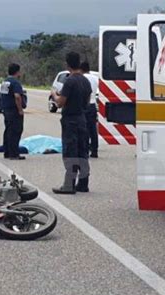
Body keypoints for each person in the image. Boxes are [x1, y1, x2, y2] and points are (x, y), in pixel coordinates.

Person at [51, 52, 92, 194]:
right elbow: (87, 101)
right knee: (83, 151)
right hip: (82, 118)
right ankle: (83, 183)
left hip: (70, 119)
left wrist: (55, 94)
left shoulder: (70, 81)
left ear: (67, 64)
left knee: (70, 152)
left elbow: (61, 103)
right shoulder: (85, 81)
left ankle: (69, 184)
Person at [0, 63, 26, 160]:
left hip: (6, 109)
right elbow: (17, 96)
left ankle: (7, 151)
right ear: (17, 72)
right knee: (15, 131)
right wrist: (20, 109)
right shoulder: (15, 83)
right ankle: (14, 153)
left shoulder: (5, 82)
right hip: (13, 110)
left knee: (8, 131)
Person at [80, 61, 99, 158]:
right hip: (93, 105)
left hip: (84, 105)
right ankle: (95, 150)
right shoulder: (95, 79)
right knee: (93, 129)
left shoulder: (82, 79)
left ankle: (86, 150)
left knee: (84, 129)